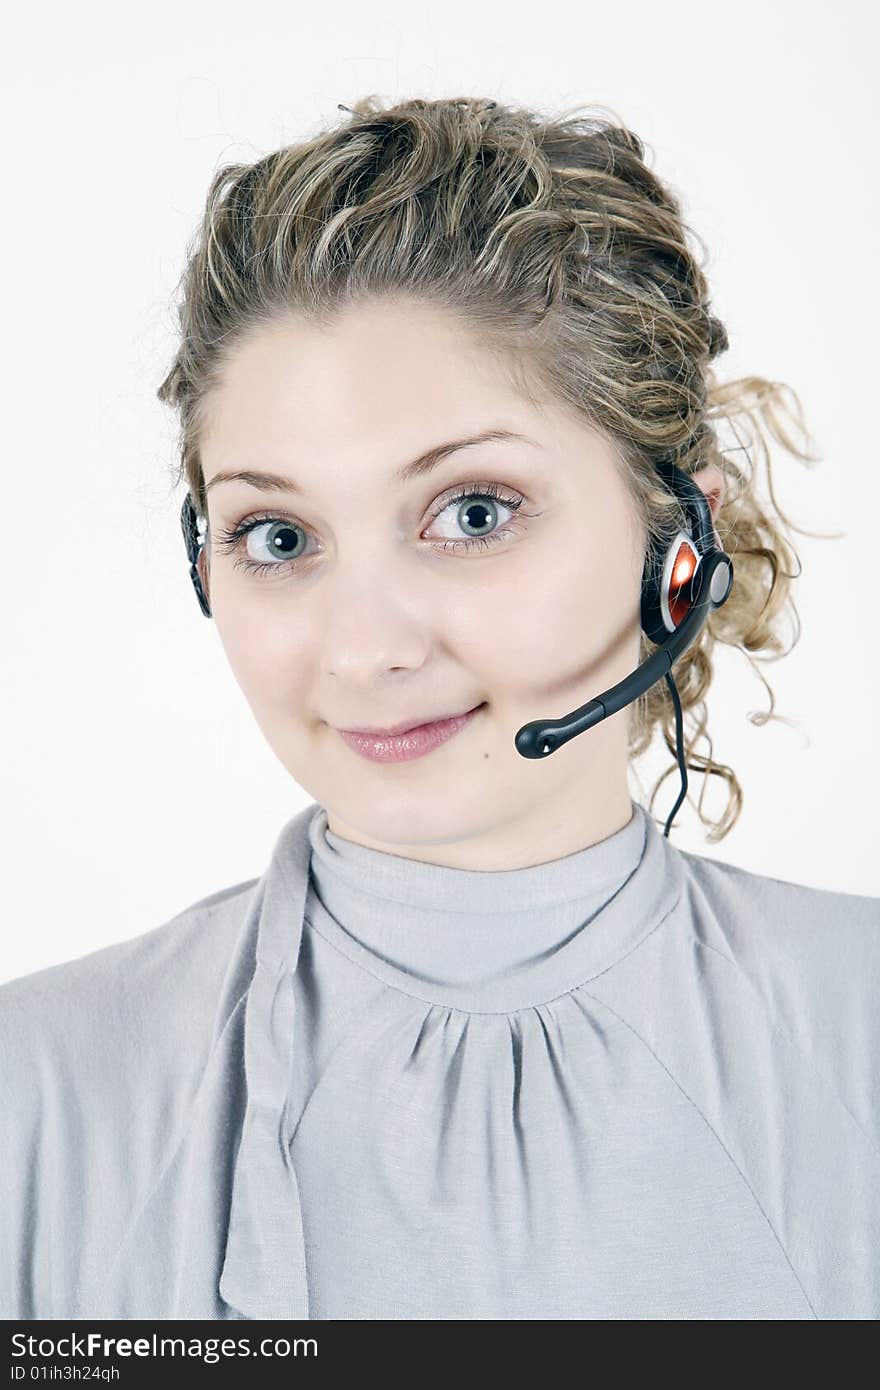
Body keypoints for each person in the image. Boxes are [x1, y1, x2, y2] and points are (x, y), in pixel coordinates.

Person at [2, 95, 877, 1322]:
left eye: (473, 511)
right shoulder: (30, 1092)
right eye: (278, 534)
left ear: (684, 537)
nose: (365, 649)